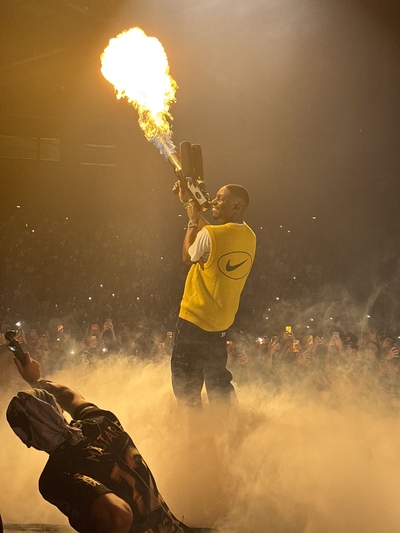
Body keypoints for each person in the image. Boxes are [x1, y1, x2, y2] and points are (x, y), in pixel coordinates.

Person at [7, 352, 211, 533]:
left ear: (28, 440)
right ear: (58, 410)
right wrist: (37, 380)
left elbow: (118, 517)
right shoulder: (101, 420)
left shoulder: (55, 476)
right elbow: (69, 396)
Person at [171, 181, 256, 408]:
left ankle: (194, 427)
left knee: (186, 382)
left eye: (220, 199)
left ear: (236, 206)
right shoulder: (249, 236)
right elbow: (213, 239)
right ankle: (229, 425)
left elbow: (188, 257)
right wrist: (188, 204)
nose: (214, 202)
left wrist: (192, 220)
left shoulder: (211, 234)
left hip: (194, 321)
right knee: (218, 382)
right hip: (220, 325)